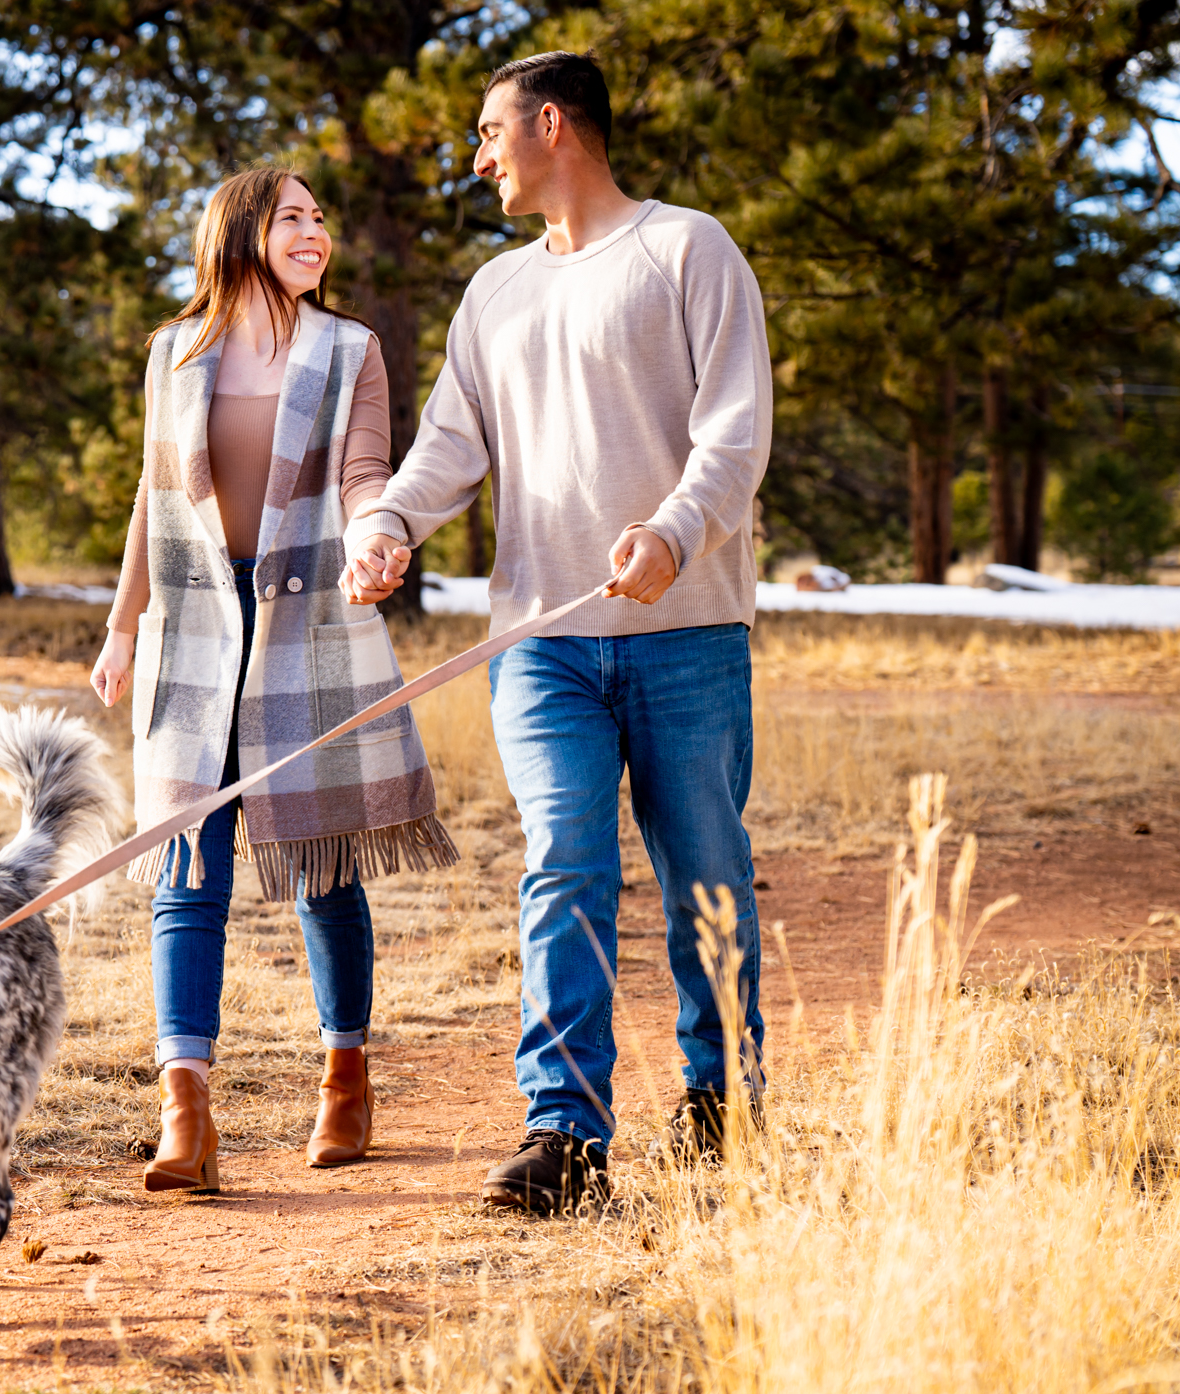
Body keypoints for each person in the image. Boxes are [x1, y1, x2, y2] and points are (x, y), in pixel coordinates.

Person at [341, 51, 773, 1214]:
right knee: (561, 867)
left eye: (487, 133)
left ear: (549, 125)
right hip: (541, 642)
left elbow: (734, 433)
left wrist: (677, 532)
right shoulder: (495, 292)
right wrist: (384, 520)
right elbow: (447, 444)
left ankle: (722, 1099)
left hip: (685, 631)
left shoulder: (687, 249)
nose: (476, 157)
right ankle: (565, 1132)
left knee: (705, 881)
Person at [91, 167, 459, 1193]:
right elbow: (154, 496)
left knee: (319, 862)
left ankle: (344, 1075)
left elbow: (361, 473)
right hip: (192, 634)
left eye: (320, 218)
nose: (315, 232)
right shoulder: (174, 351)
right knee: (187, 868)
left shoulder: (351, 350)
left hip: (309, 625)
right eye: (293, 216)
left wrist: (376, 537)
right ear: (242, 231)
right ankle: (186, 1110)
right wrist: (123, 623)